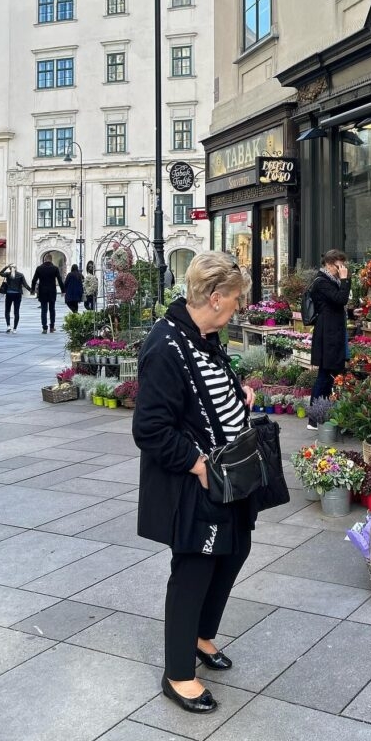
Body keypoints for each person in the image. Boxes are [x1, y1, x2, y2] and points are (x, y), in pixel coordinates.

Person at [132, 251, 256, 714]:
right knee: (194, 570)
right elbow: (150, 430)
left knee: (235, 550)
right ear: (215, 296)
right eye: (236, 299)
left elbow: (210, 383)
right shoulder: (165, 346)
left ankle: (203, 637)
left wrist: (235, 391)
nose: (239, 307)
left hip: (230, 474)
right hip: (196, 482)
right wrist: (199, 464)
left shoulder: (204, 335)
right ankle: (178, 674)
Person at [309, 249, 351, 414]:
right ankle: (315, 416)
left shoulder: (331, 280)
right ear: (328, 264)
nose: (341, 268)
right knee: (325, 375)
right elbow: (340, 299)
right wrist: (345, 280)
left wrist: (352, 312)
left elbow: (336, 306)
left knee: (331, 375)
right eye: (338, 265)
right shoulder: (322, 281)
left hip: (333, 333)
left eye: (343, 264)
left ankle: (323, 412)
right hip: (328, 335)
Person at [30, 254, 65, 334]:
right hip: (52, 291)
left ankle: (44, 328)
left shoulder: (39, 268)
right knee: (52, 309)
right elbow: (60, 280)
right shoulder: (55, 268)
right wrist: (63, 290)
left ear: (45, 260)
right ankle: (52, 327)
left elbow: (34, 280)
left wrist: (32, 290)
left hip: (42, 292)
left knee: (44, 310)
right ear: (51, 260)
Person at [0, 263, 31, 333]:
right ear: (16, 268)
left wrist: (6, 267)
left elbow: (0, 273)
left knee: (7, 310)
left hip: (9, 294)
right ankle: (15, 329)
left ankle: (8, 326)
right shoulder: (20, 275)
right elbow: (25, 285)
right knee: (16, 311)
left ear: (10, 268)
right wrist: (32, 290)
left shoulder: (7, 274)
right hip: (17, 294)